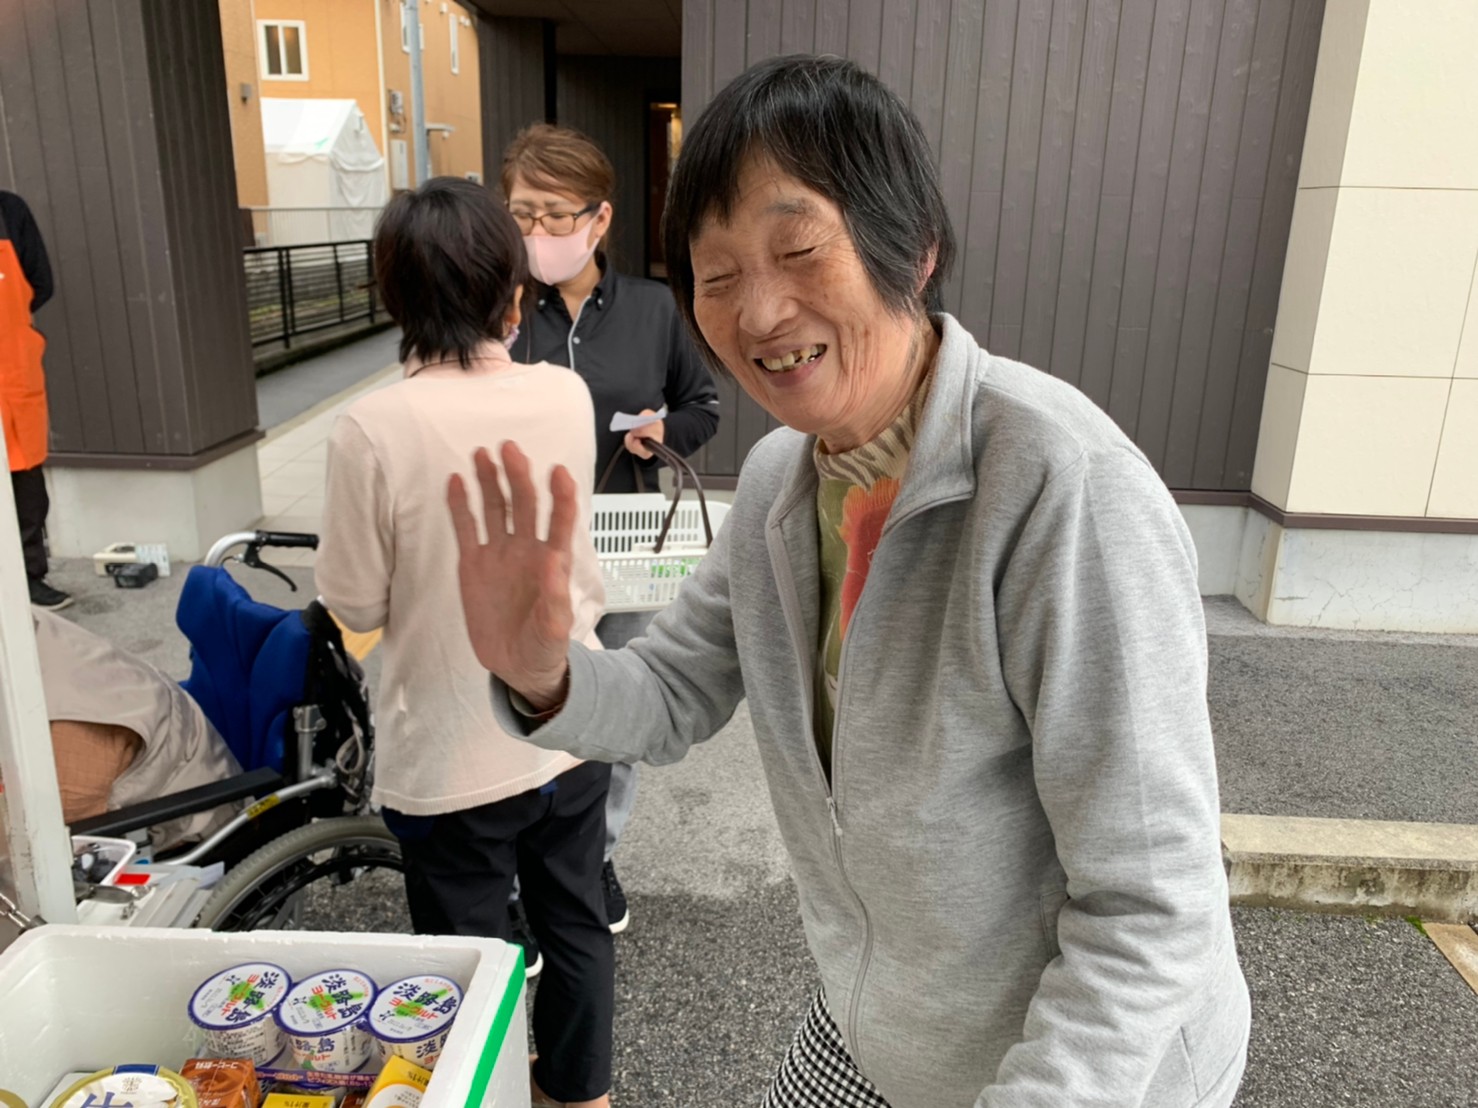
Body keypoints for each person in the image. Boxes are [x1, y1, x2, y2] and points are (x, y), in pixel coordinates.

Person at [450, 56, 1251, 1108]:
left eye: (798, 250)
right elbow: (672, 691)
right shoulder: (781, 481)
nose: (758, 312)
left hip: (1087, 1067)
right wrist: (540, 670)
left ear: (910, 246)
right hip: (881, 1018)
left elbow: (1150, 908)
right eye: (717, 276)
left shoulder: (1062, 488)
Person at [316, 178, 613, 1108]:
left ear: (393, 297)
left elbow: (353, 597)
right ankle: (581, 1093)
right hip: (570, 714)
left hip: (450, 750)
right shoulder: (566, 392)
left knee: (470, 961)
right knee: (576, 923)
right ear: (511, 295)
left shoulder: (372, 427)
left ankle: (491, 1091)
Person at [501, 123, 721, 936]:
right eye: (522, 213)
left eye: (555, 214)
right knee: (523, 703)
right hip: (524, 544)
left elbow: (703, 405)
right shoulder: (500, 309)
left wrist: (665, 431)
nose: (537, 232)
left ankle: (594, 855)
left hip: (624, 544)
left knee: (618, 707)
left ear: (599, 219)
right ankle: (520, 874)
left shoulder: (655, 310)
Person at [34, 607, 240, 850]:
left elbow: (49, 846)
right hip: (171, 752)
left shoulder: (71, 740)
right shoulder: (27, 628)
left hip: (190, 833)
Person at [1, 190, 69, 610]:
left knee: (26, 482)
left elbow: (40, 283)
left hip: (12, 369)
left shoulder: (8, 211)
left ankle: (28, 578)